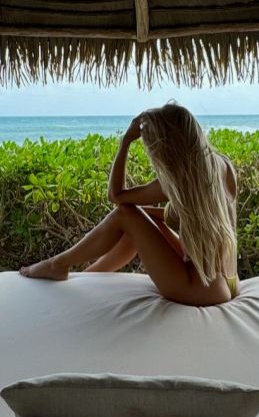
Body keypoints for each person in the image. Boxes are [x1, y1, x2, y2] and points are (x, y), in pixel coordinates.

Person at [20, 103, 239, 306]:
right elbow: (193, 219)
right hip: (228, 281)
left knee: (125, 214)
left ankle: (58, 264)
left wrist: (125, 141)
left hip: (201, 285)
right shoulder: (222, 166)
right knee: (135, 219)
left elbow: (116, 195)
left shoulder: (178, 178)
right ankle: (89, 276)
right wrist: (143, 216)